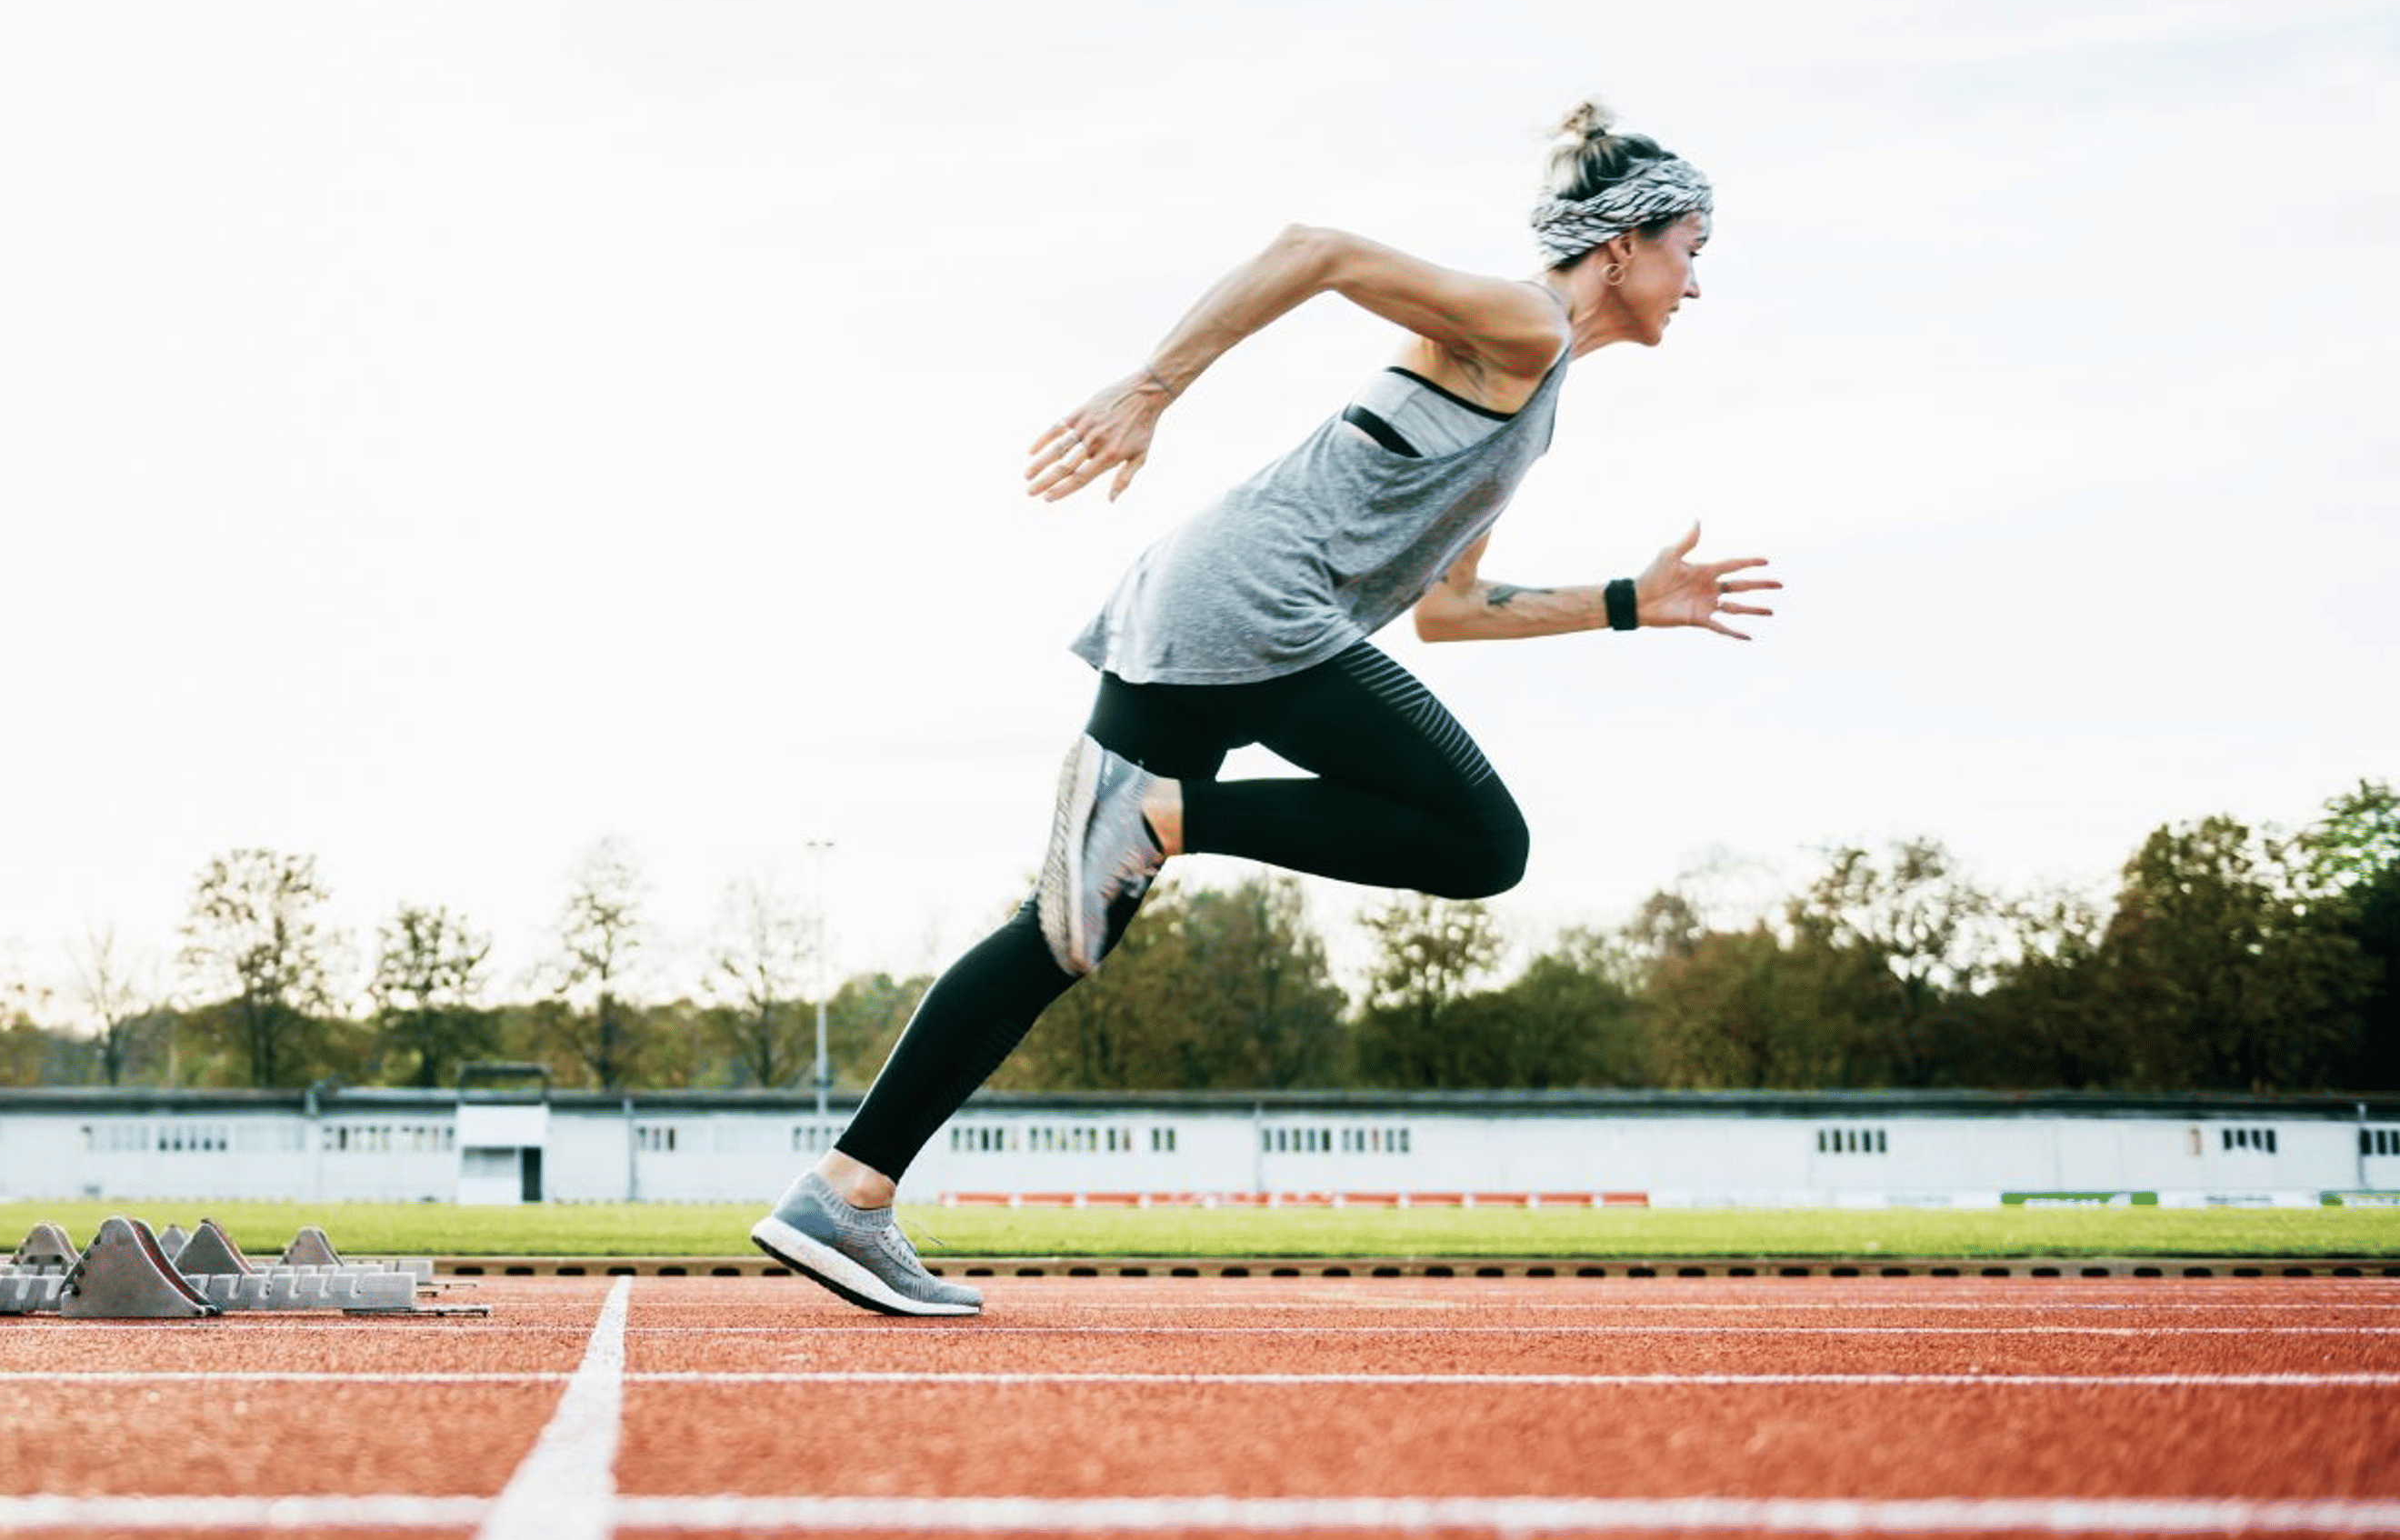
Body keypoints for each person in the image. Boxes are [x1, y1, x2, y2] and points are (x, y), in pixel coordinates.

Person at [751, 104, 1778, 1316]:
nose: (1696, 283)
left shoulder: (1535, 395)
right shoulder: (1525, 324)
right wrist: (1149, 392)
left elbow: (1447, 609)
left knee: (1063, 930)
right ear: (1621, 246)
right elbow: (1316, 249)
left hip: (1212, 607)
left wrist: (1624, 603)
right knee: (1484, 842)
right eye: (1690, 248)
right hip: (1254, 603)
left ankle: (844, 1192)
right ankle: (1177, 817)